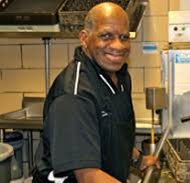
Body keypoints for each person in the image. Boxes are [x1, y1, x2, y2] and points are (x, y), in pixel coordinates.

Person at [32, 2, 159, 183]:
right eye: (106, 36)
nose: (118, 45)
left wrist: (139, 160)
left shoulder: (120, 77)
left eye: (124, 37)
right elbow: (88, 177)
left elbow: (113, 134)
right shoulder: (74, 95)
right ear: (84, 38)